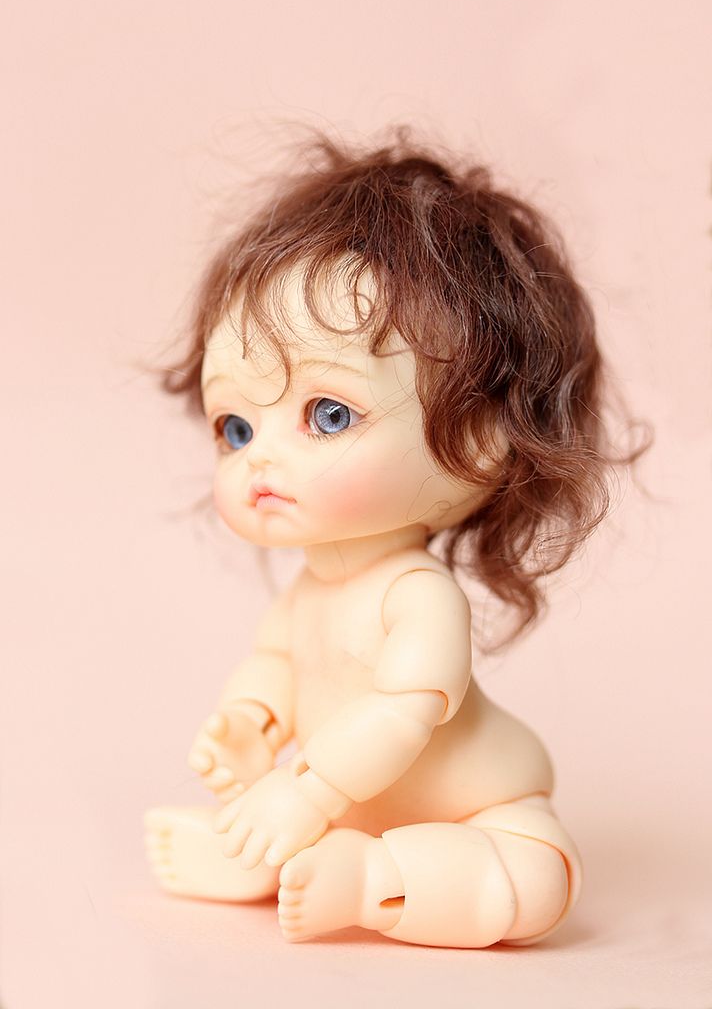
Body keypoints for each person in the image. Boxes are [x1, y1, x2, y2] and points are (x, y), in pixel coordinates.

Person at [145, 131, 647, 947]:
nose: (261, 455)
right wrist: (251, 721)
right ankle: (280, 854)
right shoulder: (310, 592)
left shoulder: (418, 597)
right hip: (346, 801)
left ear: (481, 441)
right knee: (273, 816)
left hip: (478, 801)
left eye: (328, 414)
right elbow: (278, 662)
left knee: (539, 879)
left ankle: (377, 879)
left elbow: (400, 713)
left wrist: (304, 793)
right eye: (235, 426)